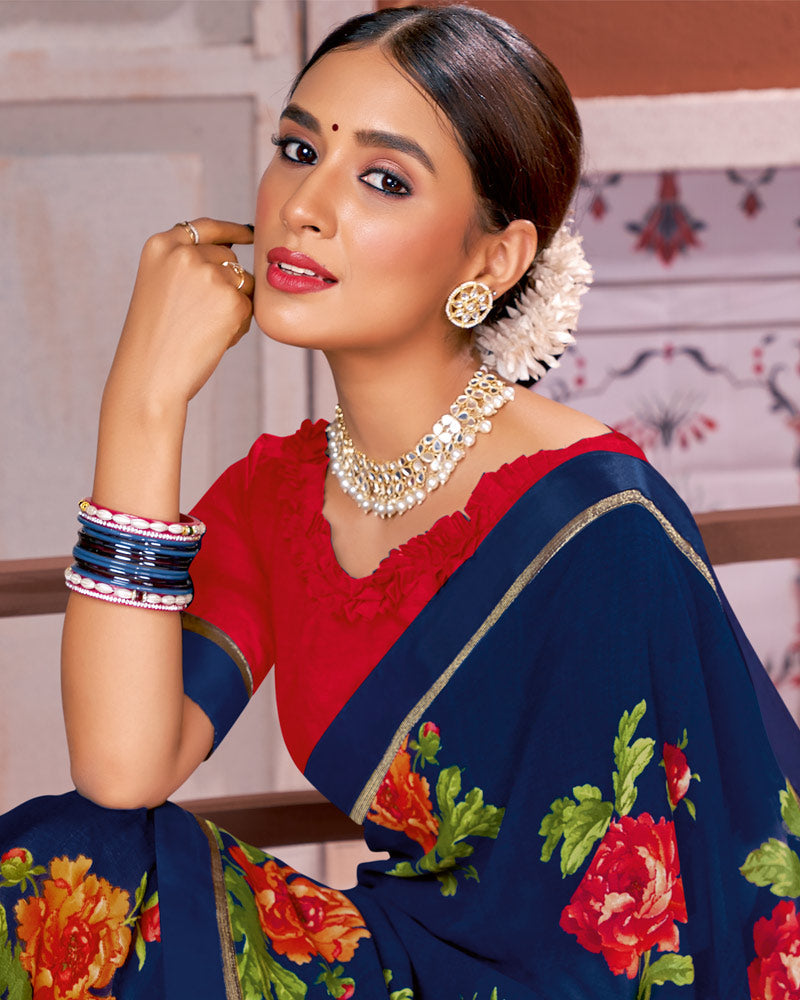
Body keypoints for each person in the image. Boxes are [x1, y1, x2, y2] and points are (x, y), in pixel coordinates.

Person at [1, 6, 799, 999]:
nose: (304, 205)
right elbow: (123, 772)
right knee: (64, 869)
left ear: (491, 260)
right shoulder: (277, 496)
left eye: (383, 179)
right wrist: (142, 402)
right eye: (299, 150)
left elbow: (670, 921)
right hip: (396, 959)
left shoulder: (594, 521)